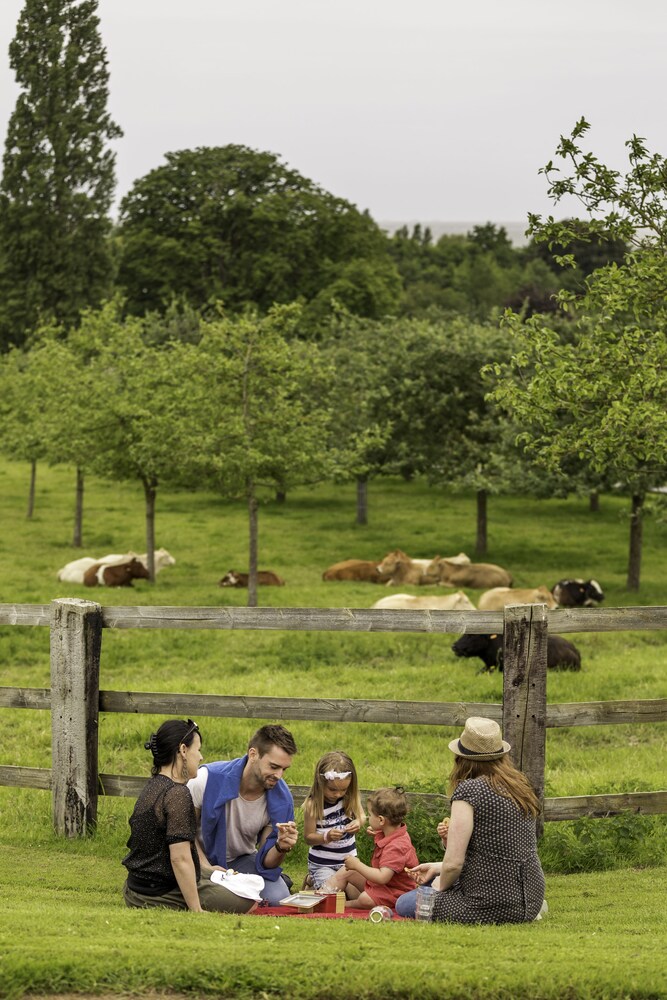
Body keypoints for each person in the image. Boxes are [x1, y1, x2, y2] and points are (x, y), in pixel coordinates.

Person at [396, 716, 546, 923]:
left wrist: (440, 885)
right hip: (531, 898)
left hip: (488, 904)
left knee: (405, 903)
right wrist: (437, 867)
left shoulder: (469, 790)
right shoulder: (519, 786)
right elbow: (497, 854)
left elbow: (454, 864)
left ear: (461, 758)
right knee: (429, 881)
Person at [122, 718, 256, 913]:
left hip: (134, 889)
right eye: (198, 750)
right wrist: (196, 909)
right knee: (249, 903)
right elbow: (180, 859)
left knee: (223, 879)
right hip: (158, 893)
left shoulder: (153, 786)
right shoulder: (177, 794)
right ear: (183, 751)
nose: (200, 757)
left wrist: (207, 870)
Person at [187, 723, 298, 904]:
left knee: (279, 899)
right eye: (273, 766)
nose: (279, 776)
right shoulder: (205, 779)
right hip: (199, 859)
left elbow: (266, 861)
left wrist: (281, 847)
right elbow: (184, 833)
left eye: (284, 769)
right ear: (253, 754)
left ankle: (245, 886)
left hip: (242, 860)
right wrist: (207, 868)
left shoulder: (282, 799)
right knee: (217, 897)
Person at [330, 786, 418, 909]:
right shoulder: (396, 832)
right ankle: (324, 895)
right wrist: (380, 832)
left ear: (381, 820)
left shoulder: (397, 846)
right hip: (383, 887)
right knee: (347, 871)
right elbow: (392, 836)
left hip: (395, 892)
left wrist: (357, 865)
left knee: (365, 899)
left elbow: (382, 877)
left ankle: (344, 905)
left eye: (370, 815)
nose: (367, 817)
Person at [302, 750, 365, 891]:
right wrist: (327, 836)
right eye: (332, 790)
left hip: (348, 862)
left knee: (362, 895)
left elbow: (362, 816)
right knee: (333, 895)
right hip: (323, 864)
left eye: (343, 790)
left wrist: (358, 823)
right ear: (320, 783)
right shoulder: (313, 805)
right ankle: (314, 878)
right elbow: (308, 837)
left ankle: (317, 883)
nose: (338, 794)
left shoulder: (350, 798)